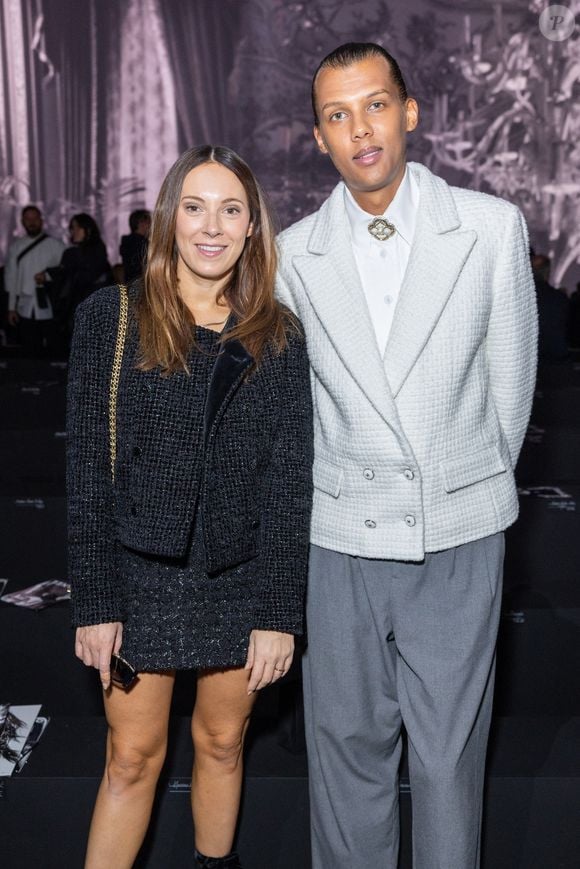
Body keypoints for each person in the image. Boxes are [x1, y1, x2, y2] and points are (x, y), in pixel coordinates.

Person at [276, 42, 538, 869]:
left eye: (375, 105)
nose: (360, 129)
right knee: (344, 753)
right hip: (339, 538)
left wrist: (462, 485)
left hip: (457, 529)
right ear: (319, 137)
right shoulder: (291, 255)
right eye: (338, 114)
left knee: (448, 762)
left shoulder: (490, 229)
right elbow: (294, 412)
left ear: (410, 112)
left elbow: (511, 391)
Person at [67, 145, 313, 869]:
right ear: (170, 217)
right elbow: (87, 472)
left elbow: (288, 481)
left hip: (236, 580)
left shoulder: (278, 333)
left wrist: (278, 613)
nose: (212, 226)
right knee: (131, 756)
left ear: (252, 226)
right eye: (196, 207)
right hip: (137, 577)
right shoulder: (111, 317)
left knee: (223, 741)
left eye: (231, 209)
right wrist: (95, 601)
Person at [38, 212, 113, 350]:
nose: (74, 231)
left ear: (88, 229)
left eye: (78, 227)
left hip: (92, 310)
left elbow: (83, 276)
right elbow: (66, 279)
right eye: (72, 227)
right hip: (78, 309)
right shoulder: (73, 253)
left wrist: (51, 274)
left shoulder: (93, 252)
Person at [4, 205, 65, 355]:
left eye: (35, 218)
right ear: (22, 222)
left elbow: (66, 272)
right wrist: (11, 308)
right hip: (25, 307)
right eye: (28, 219)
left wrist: (48, 276)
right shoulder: (16, 247)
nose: (32, 222)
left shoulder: (57, 246)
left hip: (51, 306)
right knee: (29, 350)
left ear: (41, 220)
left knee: (55, 349)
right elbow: (11, 279)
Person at [531, 252, 569, 360]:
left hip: (530, 357)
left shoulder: (521, 297)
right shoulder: (559, 298)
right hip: (555, 358)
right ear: (547, 273)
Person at [119, 208, 151, 285]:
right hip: (141, 284)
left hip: (131, 283)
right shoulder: (142, 243)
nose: (151, 225)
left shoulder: (127, 242)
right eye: (149, 222)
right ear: (141, 224)